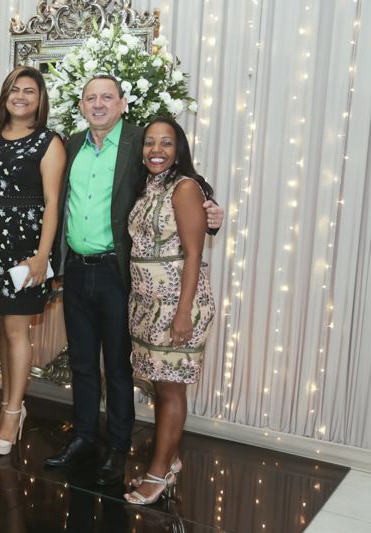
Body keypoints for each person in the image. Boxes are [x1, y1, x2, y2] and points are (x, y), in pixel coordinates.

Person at [44, 75, 223, 487]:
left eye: (107, 97)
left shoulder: (141, 141)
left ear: (123, 103)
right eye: (91, 98)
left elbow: (183, 183)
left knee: (118, 367)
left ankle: (117, 447)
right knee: (83, 363)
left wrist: (213, 214)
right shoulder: (71, 144)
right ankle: (84, 438)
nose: (98, 104)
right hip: (77, 270)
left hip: (118, 273)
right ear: (81, 105)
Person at [0, 66, 65, 455]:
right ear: (4, 95)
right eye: (15, 89)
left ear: (40, 100)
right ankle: (11, 403)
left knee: (16, 332)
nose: (21, 96)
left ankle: (11, 413)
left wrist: (42, 256)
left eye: (29, 91)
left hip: (25, 248)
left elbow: (53, 203)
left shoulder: (48, 142)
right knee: (3, 330)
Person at [123, 117, 215, 504]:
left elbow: (193, 253)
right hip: (147, 303)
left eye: (166, 143)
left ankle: (158, 475)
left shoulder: (185, 187)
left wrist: (183, 313)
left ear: (179, 150)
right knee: (161, 385)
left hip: (177, 304)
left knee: (172, 388)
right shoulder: (148, 187)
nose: (156, 150)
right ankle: (170, 459)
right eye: (149, 143)